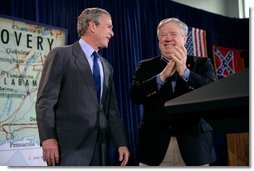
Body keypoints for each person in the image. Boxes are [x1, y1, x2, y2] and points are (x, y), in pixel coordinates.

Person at [36, 7, 130, 166]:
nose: (112, 33)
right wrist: (48, 138)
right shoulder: (61, 55)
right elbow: (45, 101)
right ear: (93, 26)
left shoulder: (107, 67)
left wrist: (121, 142)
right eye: (109, 27)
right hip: (68, 150)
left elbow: (111, 111)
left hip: (100, 150)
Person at [130, 18, 217, 166]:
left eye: (172, 33)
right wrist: (162, 77)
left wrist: (185, 72)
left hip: (194, 146)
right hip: (154, 148)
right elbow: (135, 95)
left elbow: (212, 93)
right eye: (163, 35)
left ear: (185, 38)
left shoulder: (202, 63)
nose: (167, 38)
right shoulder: (145, 66)